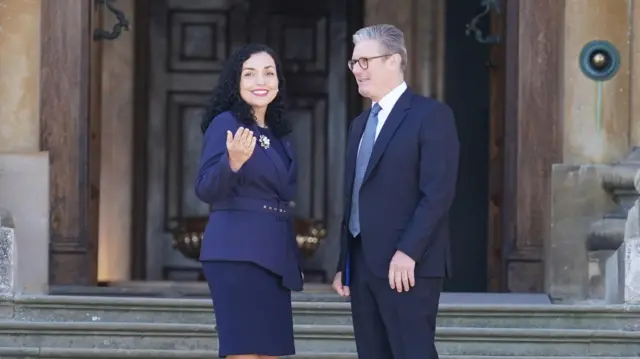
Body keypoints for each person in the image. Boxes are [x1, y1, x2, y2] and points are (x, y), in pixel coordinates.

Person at [332, 24, 460, 359]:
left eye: (365, 61)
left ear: (394, 60)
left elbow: (438, 193)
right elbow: (355, 195)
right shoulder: (359, 125)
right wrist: (344, 262)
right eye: (354, 63)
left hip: (407, 266)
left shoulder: (431, 115)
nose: (357, 70)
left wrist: (408, 251)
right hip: (361, 266)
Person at [195, 43, 302, 359]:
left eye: (269, 73)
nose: (261, 81)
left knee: (271, 352)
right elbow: (204, 188)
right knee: (244, 352)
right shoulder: (226, 123)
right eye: (250, 74)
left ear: (278, 82)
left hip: (273, 253)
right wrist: (233, 163)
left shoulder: (279, 132)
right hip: (236, 252)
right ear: (236, 82)